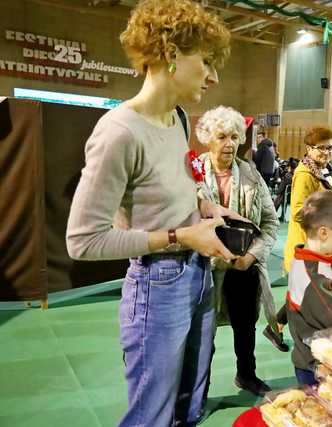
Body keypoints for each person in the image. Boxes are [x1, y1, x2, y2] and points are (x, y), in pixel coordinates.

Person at [65, 1, 233, 425]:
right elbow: (83, 241)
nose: (214, 76)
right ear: (171, 53)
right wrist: (179, 237)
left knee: (191, 399)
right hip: (158, 286)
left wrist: (204, 205)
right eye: (207, 61)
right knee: (151, 414)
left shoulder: (177, 117)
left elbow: (177, 186)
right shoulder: (119, 131)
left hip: (198, 273)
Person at [195, 106, 284, 396]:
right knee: (202, 334)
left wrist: (251, 256)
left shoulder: (250, 174)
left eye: (235, 136)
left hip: (244, 266)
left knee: (245, 328)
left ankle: (246, 375)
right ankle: (199, 389)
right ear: (207, 139)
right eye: (221, 136)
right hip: (203, 269)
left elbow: (270, 222)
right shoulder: (191, 175)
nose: (230, 143)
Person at [286, 191, 332, 386]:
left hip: (321, 359)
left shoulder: (312, 259)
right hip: (318, 368)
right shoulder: (313, 278)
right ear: (323, 233)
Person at [283, 125, 332, 272]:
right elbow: (297, 212)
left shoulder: (322, 170)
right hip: (305, 250)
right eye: (321, 148)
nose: (326, 152)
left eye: (330, 148)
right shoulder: (305, 175)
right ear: (309, 149)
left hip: (317, 249)